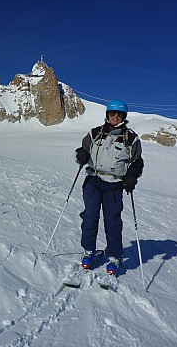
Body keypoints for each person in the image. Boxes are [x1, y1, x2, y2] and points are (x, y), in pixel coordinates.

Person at [75, 100, 144, 275]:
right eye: (112, 114)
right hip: (93, 180)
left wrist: (131, 176)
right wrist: (81, 155)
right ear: (107, 115)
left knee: (112, 222)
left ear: (124, 117)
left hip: (114, 185)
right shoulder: (95, 133)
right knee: (90, 218)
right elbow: (82, 149)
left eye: (118, 114)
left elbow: (137, 161)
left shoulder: (131, 138)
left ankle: (114, 255)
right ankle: (89, 251)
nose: (115, 117)